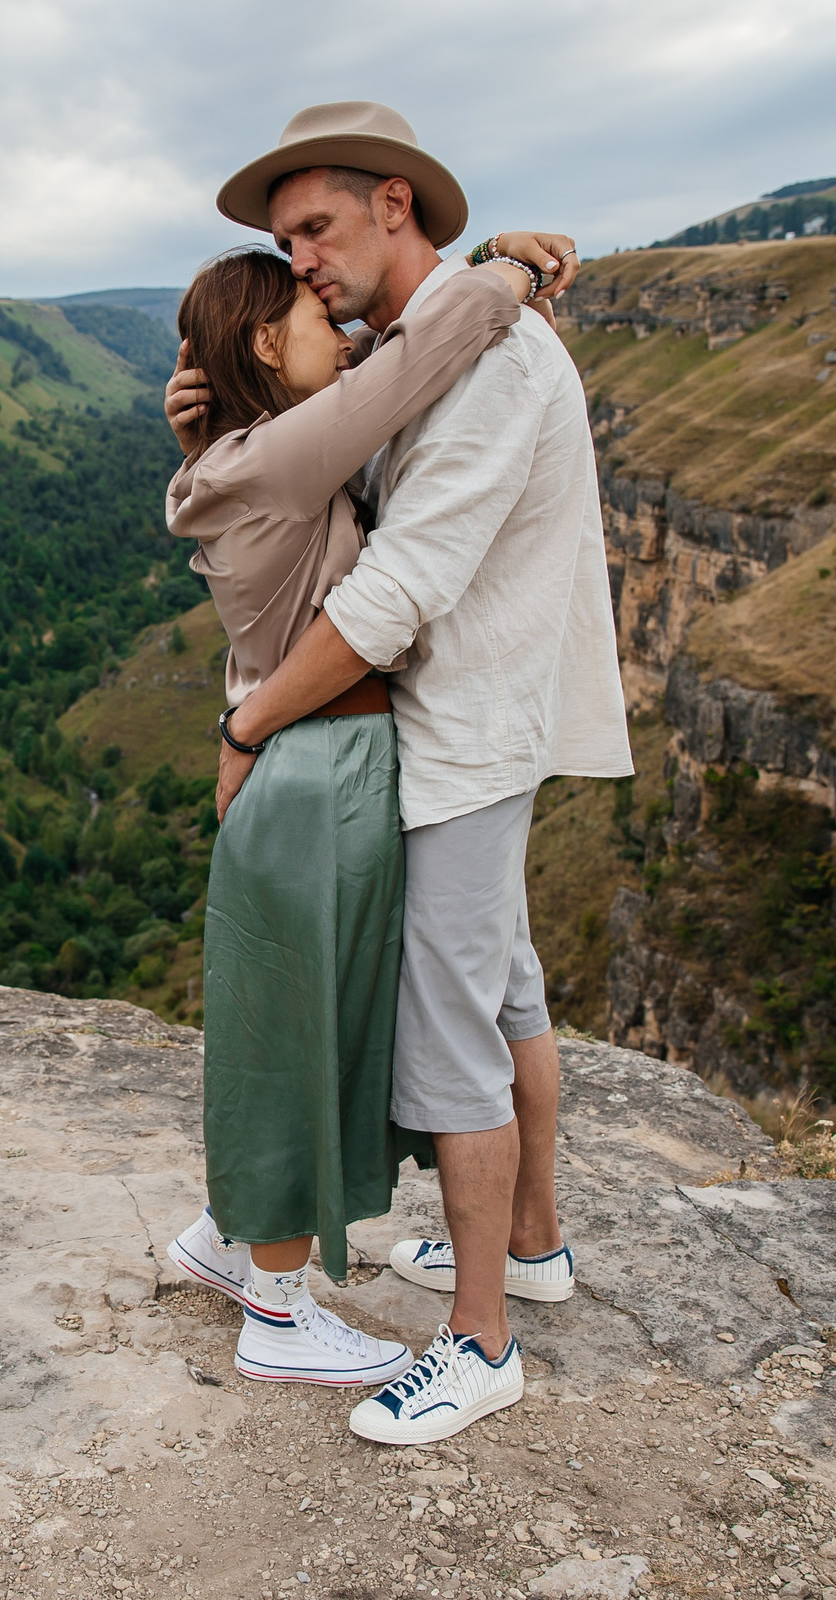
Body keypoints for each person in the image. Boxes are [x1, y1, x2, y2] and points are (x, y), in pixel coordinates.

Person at [171, 101, 630, 1446]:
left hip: (455, 741)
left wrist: (247, 726)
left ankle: (479, 1343)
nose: (301, 258)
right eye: (283, 243)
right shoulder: (413, 347)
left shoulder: (490, 368)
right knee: (506, 992)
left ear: (394, 205)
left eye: (315, 228)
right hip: (446, 734)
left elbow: (396, 596)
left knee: (445, 1042)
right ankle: (530, 1245)